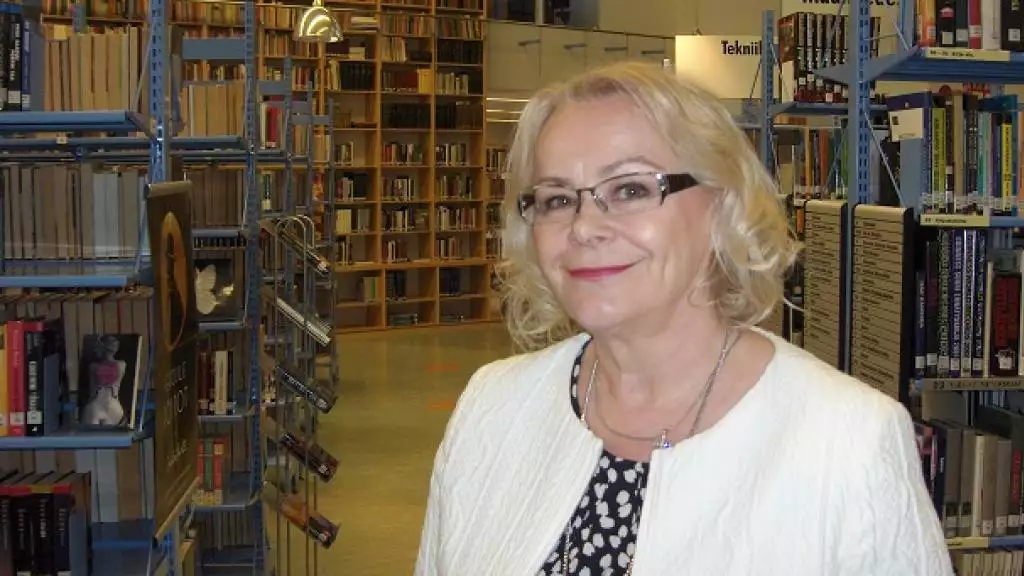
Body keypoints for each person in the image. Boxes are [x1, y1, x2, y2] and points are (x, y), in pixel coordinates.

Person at [415, 61, 951, 575]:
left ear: (722, 206)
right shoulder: (492, 407)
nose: (583, 227)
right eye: (556, 199)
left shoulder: (850, 442)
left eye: (630, 189)